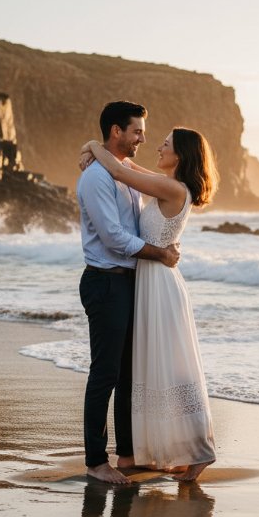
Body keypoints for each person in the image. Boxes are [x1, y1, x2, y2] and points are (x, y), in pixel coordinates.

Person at [80, 125, 218, 482]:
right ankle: (169, 448)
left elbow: (120, 171)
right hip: (149, 281)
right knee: (153, 366)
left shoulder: (172, 188)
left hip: (158, 283)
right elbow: (130, 169)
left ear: (181, 155)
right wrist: (99, 150)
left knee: (172, 367)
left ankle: (201, 450)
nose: (157, 146)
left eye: (166, 144)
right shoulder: (166, 182)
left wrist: (94, 144)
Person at [77, 101, 180, 485]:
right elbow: (114, 237)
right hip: (105, 281)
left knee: (127, 374)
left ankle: (128, 455)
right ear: (116, 132)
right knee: (104, 373)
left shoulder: (121, 174)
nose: (143, 137)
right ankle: (94, 460)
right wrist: (161, 254)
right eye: (136, 130)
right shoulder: (96, 179)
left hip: (128, 282)